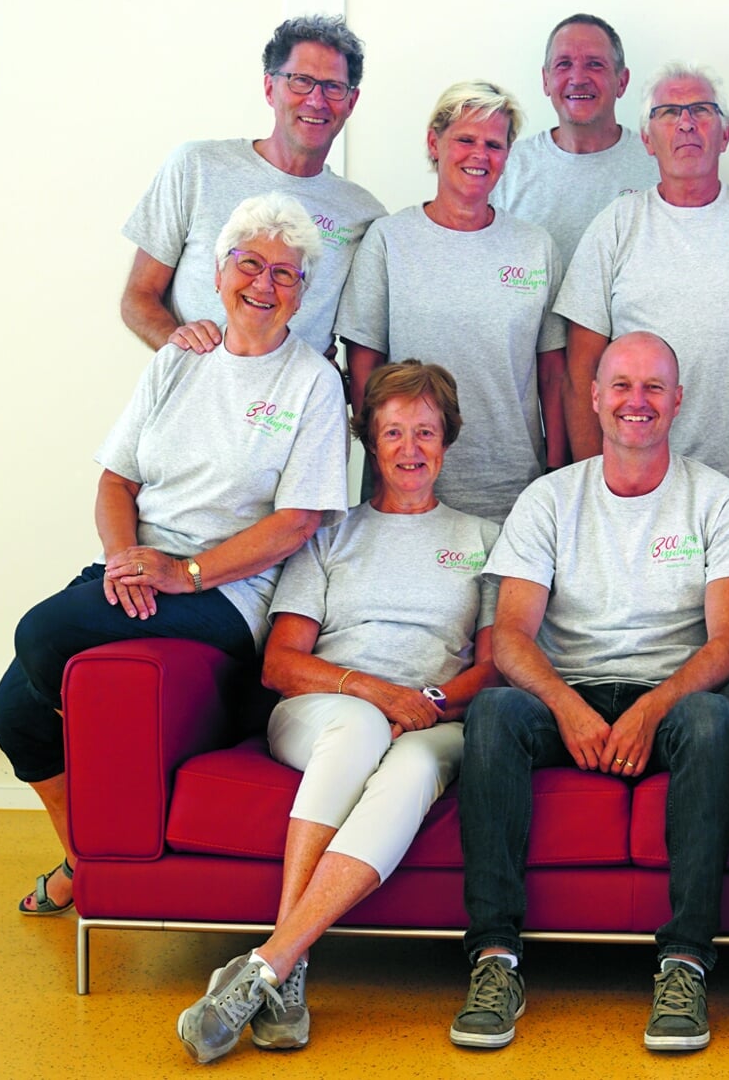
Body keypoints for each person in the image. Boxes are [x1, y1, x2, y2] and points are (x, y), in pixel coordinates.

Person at [0, 193, 349, 921]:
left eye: (286, 273)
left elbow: (297, 521)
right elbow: (116, 480)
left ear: (304, 292)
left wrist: (182, 573)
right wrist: (126, 561)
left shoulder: (314, 382)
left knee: (40, 635)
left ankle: (92, 863)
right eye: (249, 264)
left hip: (225, 597)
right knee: (13, 714)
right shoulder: (180, 360)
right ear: (219, 273)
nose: (264, 284)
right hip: (142, 567)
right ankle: (88, 864)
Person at [451, 332, 729, 1052]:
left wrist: (647, 711)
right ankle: (494, 959)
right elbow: (509, 638)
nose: (637, 402)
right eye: (621, 386)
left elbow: (728, 645)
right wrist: (567, 708)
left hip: (672, 700)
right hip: (566, 693)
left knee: (713, 722)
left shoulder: (718, 500)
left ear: (678, 400)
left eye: (654, 387)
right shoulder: (549, 500)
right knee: (497, 710)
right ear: (594, 398)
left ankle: (685, 962)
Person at [175, 361, 500, 1063]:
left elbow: (495, 663)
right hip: (325, 712)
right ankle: (286, 959)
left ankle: (275, 963)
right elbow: (281, 663)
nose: (410, 448)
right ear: (368, 443)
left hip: (435, 722)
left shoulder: (483, 538)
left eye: (425, 431)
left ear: (447, 441)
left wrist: (432, 702)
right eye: (392, 432)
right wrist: (377, 693)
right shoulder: (328, 534)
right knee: (361, 725)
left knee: (414, 770)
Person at [555, 62, 729, 544]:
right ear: (646, 138)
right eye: (668, 112)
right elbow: (581, 372)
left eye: (701, 110)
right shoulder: (617, 226)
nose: (686, 123)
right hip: (638, 481)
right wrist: (592, 481)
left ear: (724, 134)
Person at [336, 80, 567, 521]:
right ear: (434, 143)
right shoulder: (389, 241)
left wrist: (555, 470)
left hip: (510, 489)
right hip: (406, 485)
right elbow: (365, 365)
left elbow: (554, 376)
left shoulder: (536, 248)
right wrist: (382, 464)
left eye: (494, 144)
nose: (479, 154)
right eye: (465, 139)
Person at [122, 15, 386, 358]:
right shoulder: (196, 167)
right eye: (300, 81)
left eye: (333, 87)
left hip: (295, 408)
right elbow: (138, 297)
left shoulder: (364, 216)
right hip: (196, 399)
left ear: (351, 102)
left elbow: (363, 338)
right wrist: (185, 353)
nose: (317, 100)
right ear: (269, 88)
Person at [490, 14, 660, 271]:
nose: (578, 78)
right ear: (546, 80)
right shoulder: (506, 168)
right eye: (564, 64)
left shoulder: (659, 167)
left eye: (594, 64)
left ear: (622, 81)